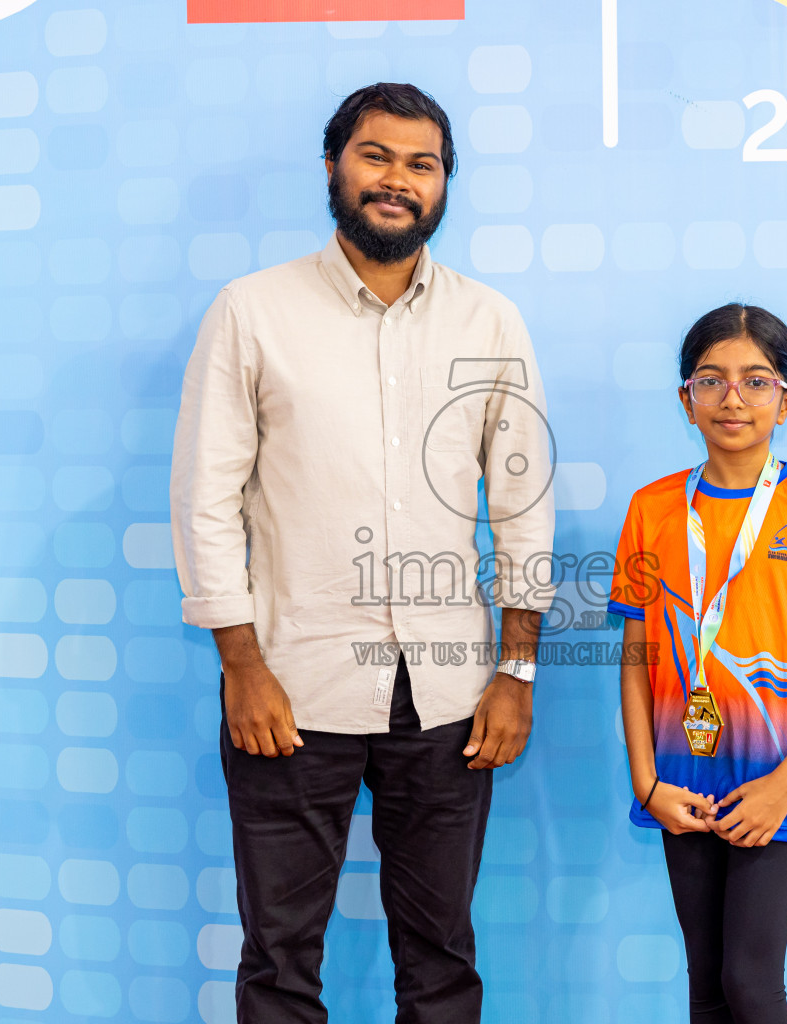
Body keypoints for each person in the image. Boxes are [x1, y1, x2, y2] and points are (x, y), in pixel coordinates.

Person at [169, 83, 555, 1023]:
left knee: (442, 958)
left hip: (451, 696)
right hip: (290, 693)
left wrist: (516, 672)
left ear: (444, 184)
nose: (398, 180)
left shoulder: (489, 321)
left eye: (422, 164)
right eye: (377, 156)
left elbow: (522, 505)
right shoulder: (252, 312)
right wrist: (243, 667)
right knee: (279, 959)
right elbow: (204, 499)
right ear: (335, 166)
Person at [606, 303, 787, 1023]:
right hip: (680, 784)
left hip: (777, 786)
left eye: (757, 381)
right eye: (712, 380)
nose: (734, 398)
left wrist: (783, 787)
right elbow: (634, 659)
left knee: (751, 982)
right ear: (685, 398)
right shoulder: (651, 508)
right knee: (707, 989)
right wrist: (647, 782)